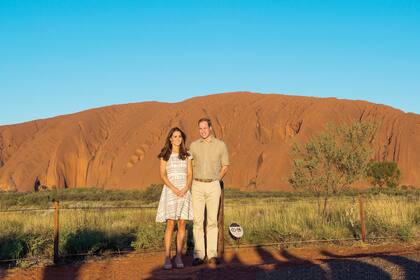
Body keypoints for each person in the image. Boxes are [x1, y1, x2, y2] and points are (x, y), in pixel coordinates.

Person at [189, 118, 229, 266]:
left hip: (213, 184)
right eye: (200, 128)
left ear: (210, 128)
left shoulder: (220, 145)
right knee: (198, 221)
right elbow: (189, 165)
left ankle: (212, 254)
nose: (203, 131)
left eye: (205, 128)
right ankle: (199, 255)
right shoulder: (193, 146)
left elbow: (225, 165)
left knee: (212, 221)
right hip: (197, 184)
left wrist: (217, 180)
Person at [156, 127, 193, 269]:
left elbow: (190, 174)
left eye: (179, 136)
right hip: (170, 191)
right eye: (174, 136)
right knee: (170, 224)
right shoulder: (165, 154)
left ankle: (178, 256)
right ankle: (167, 257)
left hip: (184, 191)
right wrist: (173, 188)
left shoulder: (187, 155)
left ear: (182, 138)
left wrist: (185, 188)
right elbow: (162, 174)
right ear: (170, 139)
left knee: (182, 223)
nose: (177, 139)